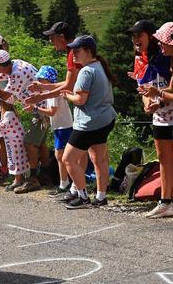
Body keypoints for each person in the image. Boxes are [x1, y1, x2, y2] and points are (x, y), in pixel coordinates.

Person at [131, 21, 173, 221]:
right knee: (164, 158)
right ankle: (166, 201)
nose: (135, 39)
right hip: (162, 115)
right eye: (132, 36)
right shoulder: (148, 59)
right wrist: (151, 101)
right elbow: (146, 86)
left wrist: (158, 95)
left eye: (139, 35)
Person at [61, 36, 117, 209]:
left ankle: (83, 197)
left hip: (89, 123)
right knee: (98, 159)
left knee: (68, 159)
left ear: (88, 51)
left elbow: (80, 99)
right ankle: (100, 197)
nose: (73, 54)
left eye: (77, 51)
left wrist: (67, 95)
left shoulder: (86, 71)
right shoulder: (99, 66)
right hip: (106, 119)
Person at [34, 66, 74, 197]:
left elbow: (52, 112)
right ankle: (65, 182)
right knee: (60, 156)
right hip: (61, 127)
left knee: (60, 156)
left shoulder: (54, 95)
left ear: (49, 80)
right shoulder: (51, 94)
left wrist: (35, 109)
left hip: (64, 127)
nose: (39, 82)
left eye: (42, 80)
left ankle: (65, 184)